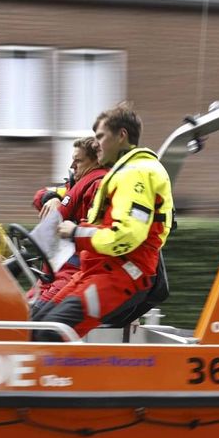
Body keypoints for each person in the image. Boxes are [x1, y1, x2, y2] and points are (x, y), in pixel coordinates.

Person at [31, 103, 174, 338]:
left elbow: (126, 235)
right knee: (36, 327)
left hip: (122, 274)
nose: (96, 143)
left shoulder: (136, 174)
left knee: (50, 334)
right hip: (97, 270)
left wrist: (76, 233)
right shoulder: (122, 173)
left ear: (121, 136)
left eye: (100, 136)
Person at [34, 137, 110, 303]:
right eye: (72, 160)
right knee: (19, 311)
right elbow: (40, 195)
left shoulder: (98, 187)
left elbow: (94, 229)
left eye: (78, 161)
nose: (72, 166)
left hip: (72, 270)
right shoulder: (75, 184)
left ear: (96, 161)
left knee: (33, 315)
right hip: (54, 271)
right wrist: (51, 197)